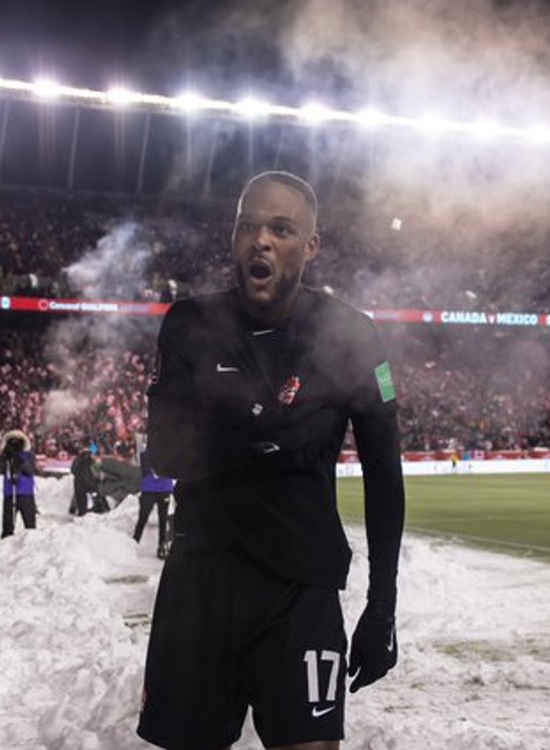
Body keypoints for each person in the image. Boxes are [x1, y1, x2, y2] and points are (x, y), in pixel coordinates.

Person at [137, 171, 406, 750]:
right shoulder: (189, 323)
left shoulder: (353, 337)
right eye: (247, 226)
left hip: (300, 592)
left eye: (281, 229)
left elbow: (386, 476)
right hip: (200, 584)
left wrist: (382, 605)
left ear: (310, 246)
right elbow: (162, 453)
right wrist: (258, 432)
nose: (261, 240)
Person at [133, 452, 174, 560]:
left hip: (164, 488)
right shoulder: (148, 449)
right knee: (142, 518)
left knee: (163, 520)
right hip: (148, 489)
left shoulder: (171, 449)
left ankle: (162, 546)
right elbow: (143, 464)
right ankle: (132, 545)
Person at [0, 429, 37, 537]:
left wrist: (20, 460)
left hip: (26, 493)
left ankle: (32, 543)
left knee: (30, 525)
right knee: (8, 525)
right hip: (10, 493)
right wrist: (5, 456)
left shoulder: (29, 455)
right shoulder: (5, 456)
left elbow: (30, 471)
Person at [69, 443, 99, 516]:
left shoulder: (78, 458)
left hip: (79, 482)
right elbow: (97, 471)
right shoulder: (94, 459)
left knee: (79, 496)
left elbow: (73, 470)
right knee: (97, 494)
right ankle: (98, 508)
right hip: (90, 482)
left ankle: (76, 510)